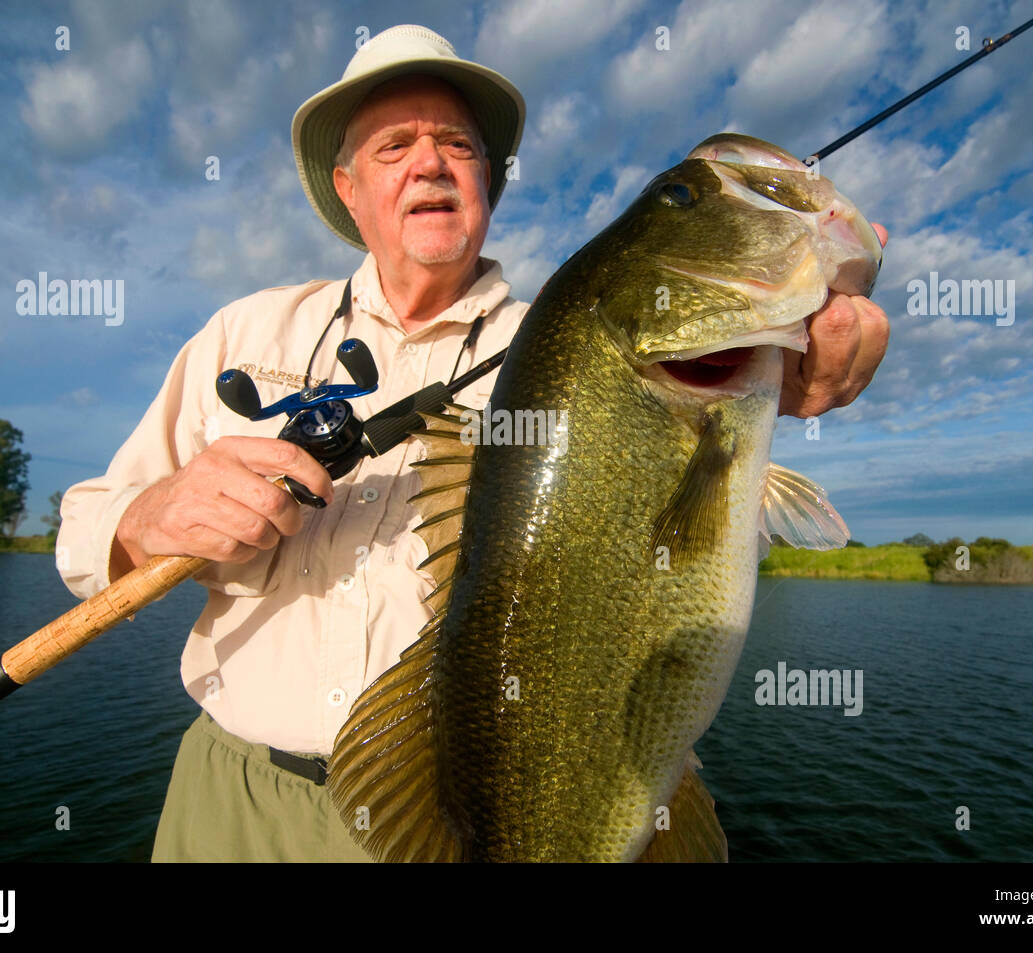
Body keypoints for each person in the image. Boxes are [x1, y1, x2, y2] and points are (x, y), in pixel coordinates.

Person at [56, 24, 891, 862]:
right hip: (231, 809)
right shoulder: (243, 332)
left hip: (468, 816)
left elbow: (832, 310)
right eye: (394, 145)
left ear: (487, 179)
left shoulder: (564, 345)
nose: (430, 162)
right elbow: (82, 536)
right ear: (347, 188)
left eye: (457, 143)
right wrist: (147, 518)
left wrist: (835, 320)